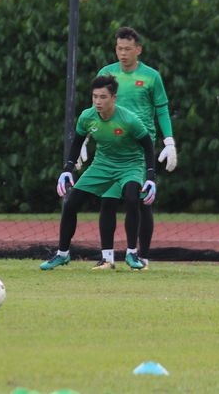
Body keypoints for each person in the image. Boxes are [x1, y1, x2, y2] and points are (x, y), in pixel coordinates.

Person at [78, 27, 176, 268]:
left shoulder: (151, 76)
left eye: (128, 49)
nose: (123, 53)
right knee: (107, 200)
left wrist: (169, 141)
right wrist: (85, 140)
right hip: (110, 146)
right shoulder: (107, 73)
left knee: (141, 200)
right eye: (119, 48)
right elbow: (95, 108)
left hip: (139, 148)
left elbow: (161, 108)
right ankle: (107, 259)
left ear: (138, 50)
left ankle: (141, 255)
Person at [40, 74, 156, 271]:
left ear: (114, 98)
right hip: (102, 165)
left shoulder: (129, 120)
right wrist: (67, 170)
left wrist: (150, 177)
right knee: (71, 204)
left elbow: (148, 146)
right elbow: (77, 143)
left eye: (103, 97)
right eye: (94, 97)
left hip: (130, 165)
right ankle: (62, 254)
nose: (97, 102)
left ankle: (131, 253)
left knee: (131, 198)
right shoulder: (87, 117)